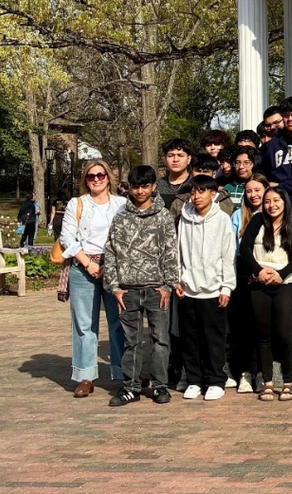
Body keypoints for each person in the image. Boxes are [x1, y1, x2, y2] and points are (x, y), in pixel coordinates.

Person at [103, 164, 179, 407]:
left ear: (154, 187)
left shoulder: (164, 216)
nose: (140, 191)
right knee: (131, 341)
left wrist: (168, 285)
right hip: (128, 289)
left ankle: (159, 386)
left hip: (157, 289)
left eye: (145, 186)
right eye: (135, 186)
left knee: (160, 339)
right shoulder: (121, 216)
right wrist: (114, 287)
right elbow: (111, 252)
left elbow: (170, 251)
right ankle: (131, 387)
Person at [60, 161, 127, 397]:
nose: (96, 179)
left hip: (114, 267)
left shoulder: (122, 204)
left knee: (119, 320)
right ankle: (85, 375)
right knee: (84, 324)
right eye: (91, 176)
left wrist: (108, 264)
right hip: (83, 266)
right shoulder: (76, 204)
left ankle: (123, 372)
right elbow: (67, 237)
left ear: (109, 177)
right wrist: (88, 263)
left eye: (101, 175)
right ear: (85, 180)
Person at [240, 187, 292, 401]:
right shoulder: (258, 221)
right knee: (264, 336)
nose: (272, 205)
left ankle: (288, 382)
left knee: (285, 334)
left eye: (276, 200)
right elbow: (245, 248)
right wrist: (258, 271)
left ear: (285, 202)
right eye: (267, 201)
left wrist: (282, 273)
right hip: (259, 283)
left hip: (284, 284)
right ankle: (267, 382)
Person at [175, 175, 236, 401]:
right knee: (190, 338)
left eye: (202, 191)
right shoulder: (184, 217)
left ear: (213, 194)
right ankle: (193, 380)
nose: (196, 196)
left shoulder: (221, 219)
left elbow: (227, 255)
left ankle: (215, 380)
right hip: (188, 288)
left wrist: (226, 287)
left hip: (213, 289)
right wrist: (177, 280)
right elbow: (179, 251)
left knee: (214, 338)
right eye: (193, 192)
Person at [229, 173, 268, 393]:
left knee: (262, 327)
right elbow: (236, 248)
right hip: (243, 274)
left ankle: (263, 372)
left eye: (257, 190)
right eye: (249, 191)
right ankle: (245, 373)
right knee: (242, 328)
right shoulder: (238, 216)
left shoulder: (273, 213)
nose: (253, 195)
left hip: (267, 274)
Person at [157, 138, 193, 208]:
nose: (175, 160)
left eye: (180, 155)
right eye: (170, 156)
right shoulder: (157, 186)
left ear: (188, 159)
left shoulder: (195, 185)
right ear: (165, 159)